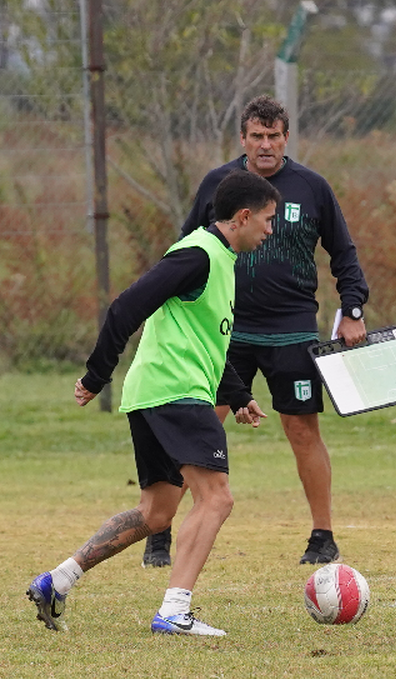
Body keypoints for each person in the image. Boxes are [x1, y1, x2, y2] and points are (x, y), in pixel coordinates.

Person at [27, 170, 280, 637]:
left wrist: (239, 394)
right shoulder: (196, 255)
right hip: (174, 392)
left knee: (155, 513)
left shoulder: (221, 259)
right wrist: (96, 374)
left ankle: (56, 581)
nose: (270, 230)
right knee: (216, 498)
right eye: (267, 220)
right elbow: (125, 308)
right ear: (243, 216)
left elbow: (205, 339)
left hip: (158, 393)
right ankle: (174, 611)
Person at [141, 94, 370, 569]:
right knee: (199, 429)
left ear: (287, 138)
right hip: (223, 332)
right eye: (257, 136)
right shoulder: (218, 185)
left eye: (274, 136)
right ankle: (158, 530)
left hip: (291, 332)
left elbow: (343, 253)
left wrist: (352, 308)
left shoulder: (311, 187)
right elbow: (184, 248)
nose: (266, 145)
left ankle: (322, 535)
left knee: (302, 430)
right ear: (243, 139)